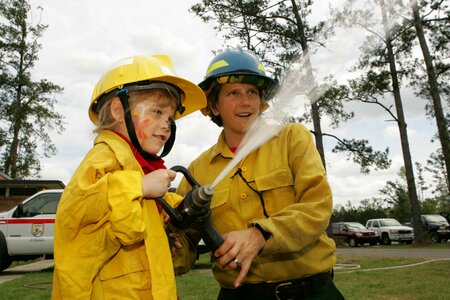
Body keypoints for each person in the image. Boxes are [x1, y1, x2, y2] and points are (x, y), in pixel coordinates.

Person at [175, 47, 345, 299]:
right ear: (214, 105)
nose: (246, 102)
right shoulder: (197, 170)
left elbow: (317, 206)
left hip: (310, 291)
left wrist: (260, 234)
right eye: (233, 93)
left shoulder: (291, 138)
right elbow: (185, 243)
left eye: (252, 93)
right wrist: (170, 246)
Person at [51, 54, 206, 300]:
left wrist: (169, 216)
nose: (167, 125)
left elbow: (130, 221)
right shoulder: (104, 157)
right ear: (117, 110)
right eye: (157, 112)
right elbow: (77, 213)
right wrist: (139, 186)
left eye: (170, 118)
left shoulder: (140, 166)